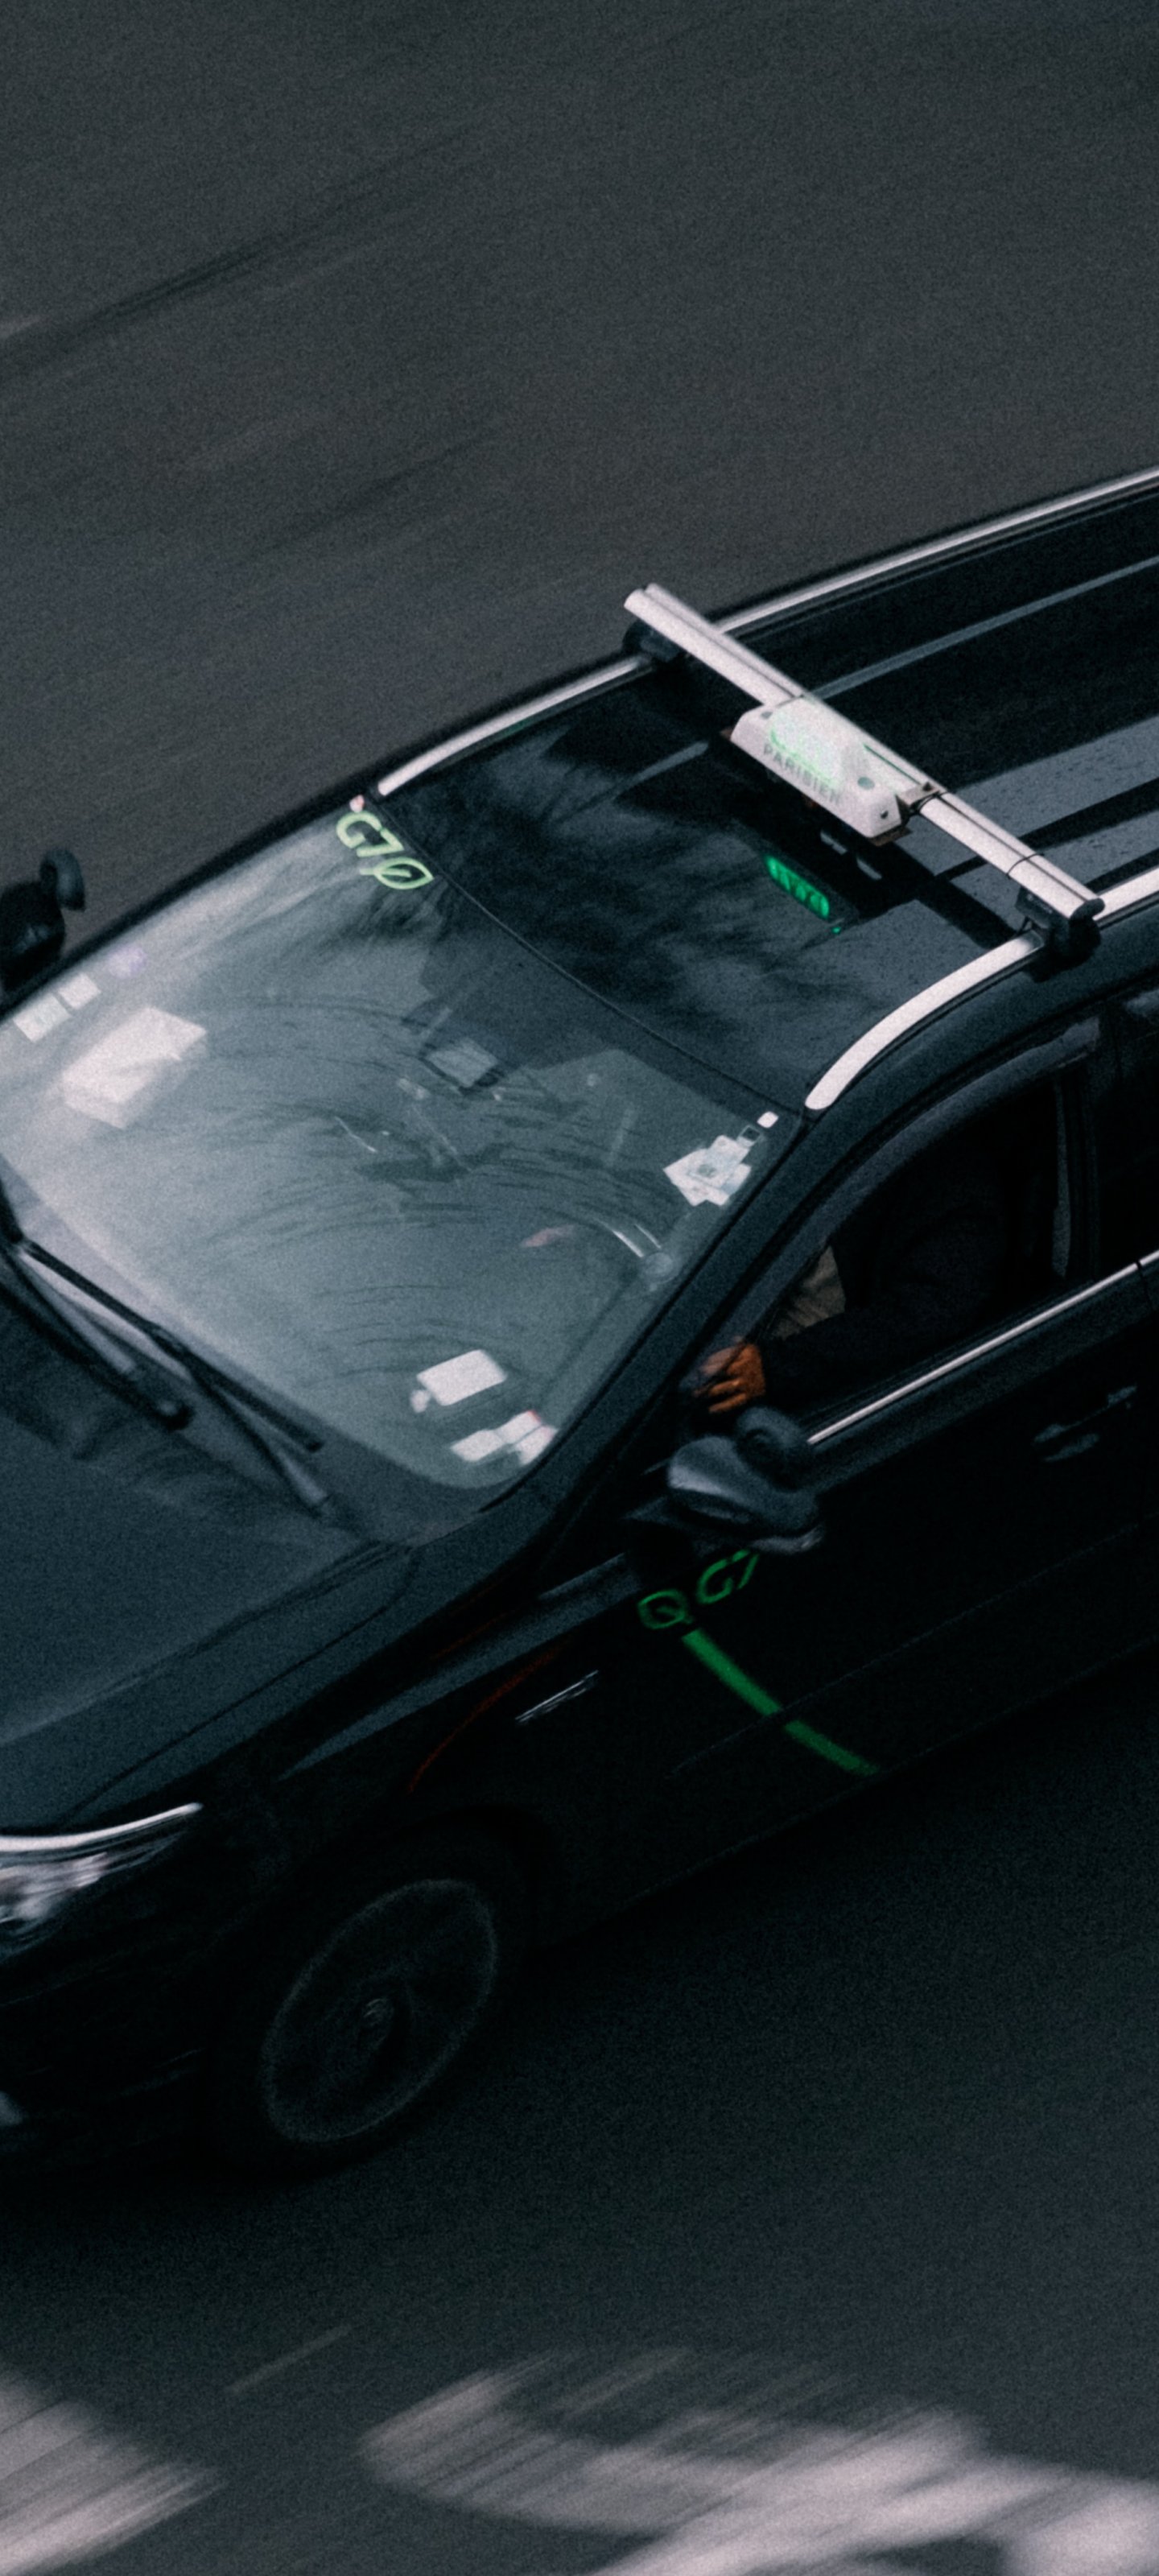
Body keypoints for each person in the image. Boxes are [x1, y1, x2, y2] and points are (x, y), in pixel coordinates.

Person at [695, 1119, 1010, 1422]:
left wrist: (777, 1370)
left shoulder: (955, 1186)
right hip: (712, 1326)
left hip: (805, 1401)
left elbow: (922, 1317)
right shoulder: (815, 1123)